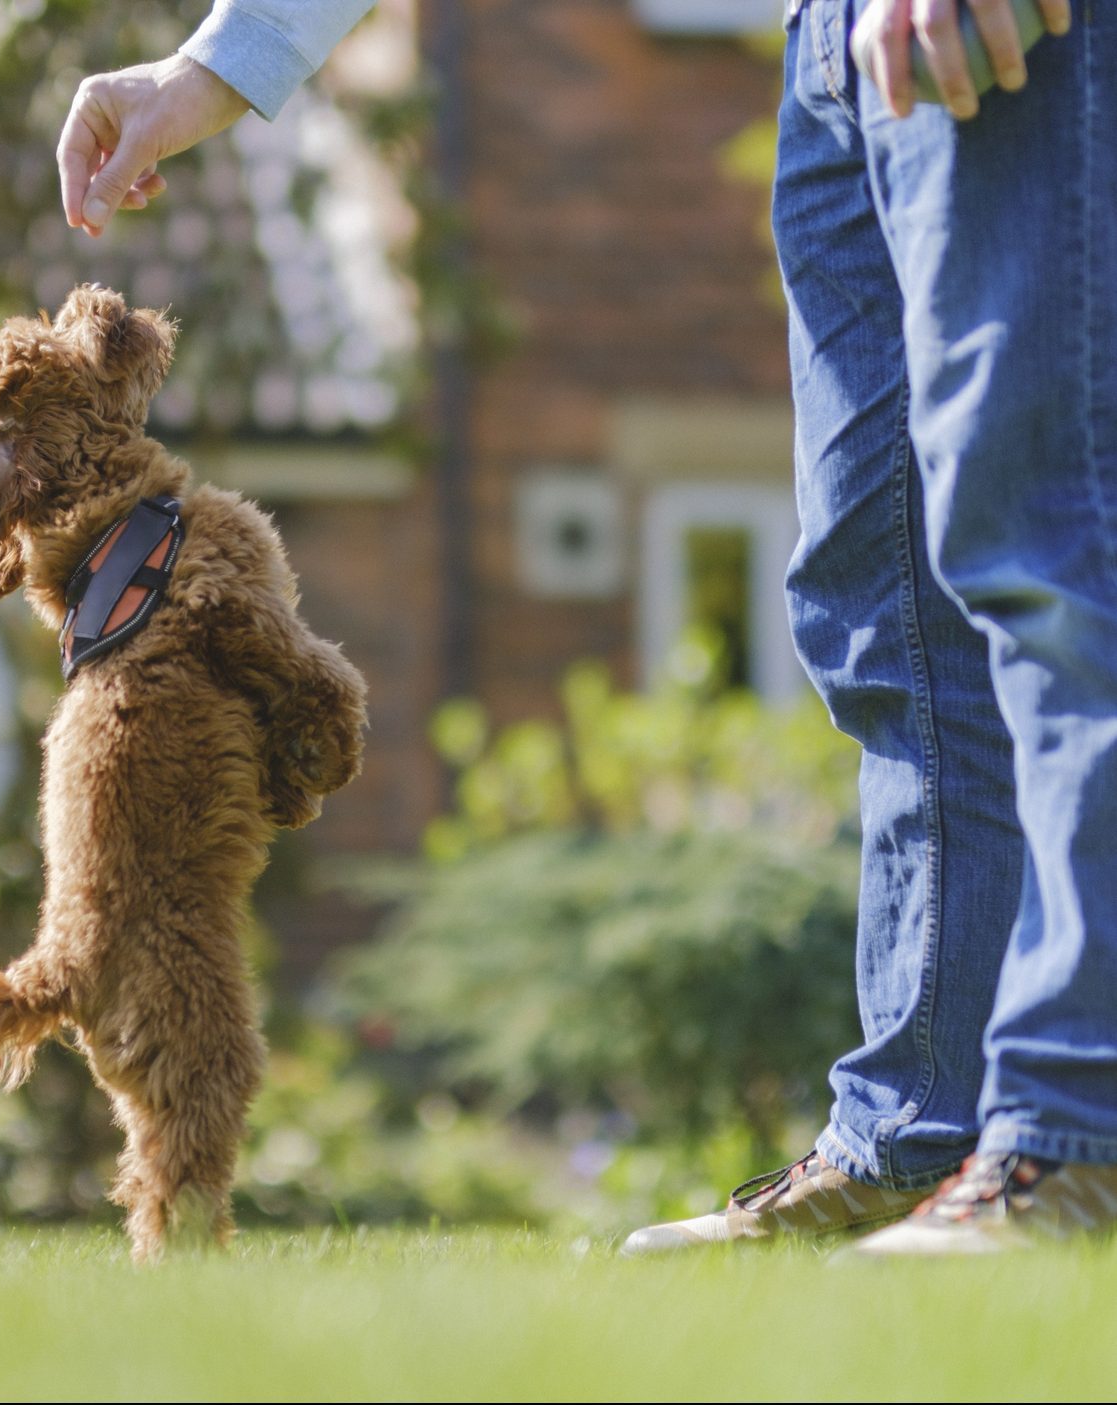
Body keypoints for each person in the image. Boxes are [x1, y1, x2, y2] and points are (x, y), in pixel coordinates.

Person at [55, 0, 1117, 1256]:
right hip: (827, 44)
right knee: (879, 603)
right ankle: (921, 1138)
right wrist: (215, 65)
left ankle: (1073, 1132)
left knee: (1040, 555)